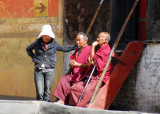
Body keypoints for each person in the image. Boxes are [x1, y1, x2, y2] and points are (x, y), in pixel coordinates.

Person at [26, 24, 77, 102]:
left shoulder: (54, 43)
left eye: (48, 35)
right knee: (40, 92)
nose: (46, 37)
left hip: (50, 70)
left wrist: (75, 46)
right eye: (45, 35)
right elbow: (28, 49)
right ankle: (39, 107)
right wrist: (34, 58)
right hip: (38, 70)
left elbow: (64, 49)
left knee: (47, 91)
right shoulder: (37, 42)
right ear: (42, 35)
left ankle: (46, 108)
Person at [69, 32, 114, 107]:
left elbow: (100, 66)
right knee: (75, 88)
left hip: (99, 76)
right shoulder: (98, 47)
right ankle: (76, 106)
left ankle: (82, 107)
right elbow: (92, 59)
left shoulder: (106, 50)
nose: (97, 39)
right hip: (91, 73)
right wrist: (93, 50)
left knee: (87, 91)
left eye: (99, 38)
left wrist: (92, 49)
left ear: (105, 40)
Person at [53, 32, 91, 104]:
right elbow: (73, 59)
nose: (77, 42)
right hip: (74, 73)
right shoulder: (77, 50)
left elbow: (90, 64)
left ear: (85, 41)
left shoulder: (89, 49)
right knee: (63, 80)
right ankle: (62, 100)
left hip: (83, 75)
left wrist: (78, 65)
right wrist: (71, 63)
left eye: (79, 40)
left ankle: (70, 102)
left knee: (75, 87)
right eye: (76, 40)